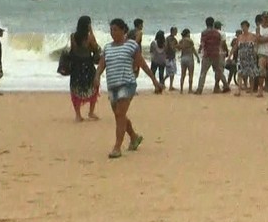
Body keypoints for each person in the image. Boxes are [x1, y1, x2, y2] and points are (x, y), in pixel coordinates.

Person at [94, 18, 162, 159]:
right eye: (111, 30)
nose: (113, 33)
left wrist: (154, 81)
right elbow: (101, 65)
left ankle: (117, 147)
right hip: (112, 86)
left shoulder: (131, 45)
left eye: (116, 30)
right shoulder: (107, 48)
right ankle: (134, 137)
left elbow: (142, 64)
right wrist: (97, 77)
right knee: (120, 115)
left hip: (127, 83)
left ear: (123, 30)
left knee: (119, 114)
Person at [69, 15, 101, 122]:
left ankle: (78, 115)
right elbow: (96, 48)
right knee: (94, 87)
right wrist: (92, 32)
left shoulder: (73, 36)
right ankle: (91, 112)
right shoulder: (89, 37)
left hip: (76, 65)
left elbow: (73, 50)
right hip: (87, 65)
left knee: (75, 88)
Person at [195, 17, 230, 94]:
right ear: (213, 23)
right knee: (219, 71)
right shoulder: (217, 33)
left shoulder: (204, 33)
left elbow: (203, 43)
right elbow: (220, 43)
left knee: (203, 72)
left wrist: (200, 49)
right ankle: (226, 85)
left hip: (207, 54)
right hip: (216, 54)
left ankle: (199, 89)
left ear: (206, 23)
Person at [235, 20, 260, 97]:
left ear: (248, 27)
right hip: (241, 58)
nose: (243, 28)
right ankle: (239, 90)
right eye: (242, 26)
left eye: (244, 26)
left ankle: (251, 90)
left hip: (250, 57)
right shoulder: (240, 37)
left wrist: (256, 52)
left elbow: (257, 44)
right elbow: (235, 47)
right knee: (240, 73)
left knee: (251, 74)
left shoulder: (253, 36)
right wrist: (230, 55)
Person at [177, 28, 199, 93]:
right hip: (189, 58)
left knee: (183, 74)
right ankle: (190, 89)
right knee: (190, 74)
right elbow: (193, 50)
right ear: (187, 34)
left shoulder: (180, 41)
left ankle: (181, 90)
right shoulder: (190, 41)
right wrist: (197, 57)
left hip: (183, 58)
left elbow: (179, 49)